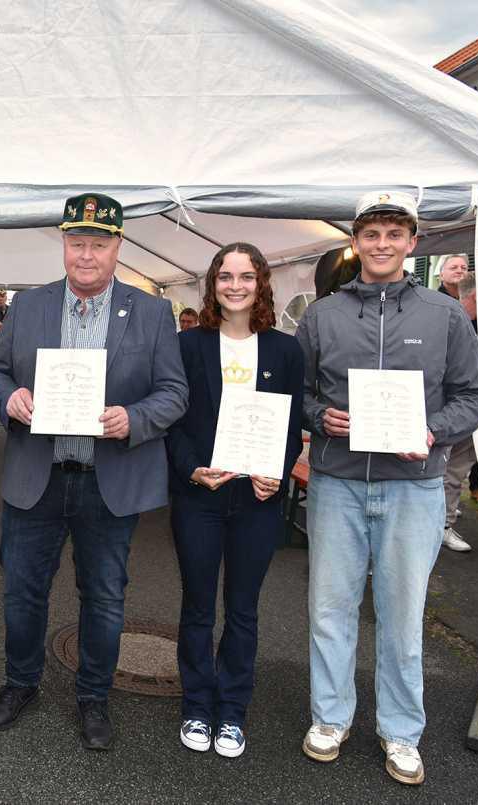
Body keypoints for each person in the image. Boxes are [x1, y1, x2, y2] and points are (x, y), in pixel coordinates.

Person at [296, 191, 478, 785]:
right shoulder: (322, 315)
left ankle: (401, 731)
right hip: (337, 482)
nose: (382, 244)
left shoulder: (445, 314)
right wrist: (318, 417)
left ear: (412, 242)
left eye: (394, 233)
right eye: (371, 233)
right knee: (329, 609)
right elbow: (297, 394)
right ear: (356, 242)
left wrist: (433, 432)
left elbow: (475, 396)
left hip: (414, 485)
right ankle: (330, 718)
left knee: (402, 616)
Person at [0, 193, 189, 750]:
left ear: (118, 246)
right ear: (64, 245)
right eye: (78, 243)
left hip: (108, 478)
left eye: (99, 243)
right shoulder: (28, 307)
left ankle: (93, 695)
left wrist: (134, 417)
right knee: (22, 593)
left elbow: (174, 392)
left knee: (104, 596)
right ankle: (20, 683)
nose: (87, 254)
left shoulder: (150, 312)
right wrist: (10, 401)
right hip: (37, 474)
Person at [166, 243, 303, 759]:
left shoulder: (285, 351)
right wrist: (190, 469)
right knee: (198, 608)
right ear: (213, 284)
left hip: (257, 499)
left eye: (246, 276)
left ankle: (232, 712)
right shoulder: (188, 346)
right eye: (226, 276)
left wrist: (279, 469)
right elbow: (173, 423)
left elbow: (292, 426)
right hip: (201, 495)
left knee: (243, 610)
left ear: (261, 282)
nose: (236, 285)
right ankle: (197, 705)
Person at [440, 270, 478, 551]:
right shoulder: (450, 320)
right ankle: (441, 524)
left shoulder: (472, 323)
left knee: (456, 468)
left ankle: (444, 520)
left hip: (466, 409)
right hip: (449, 410)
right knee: (451, 469)